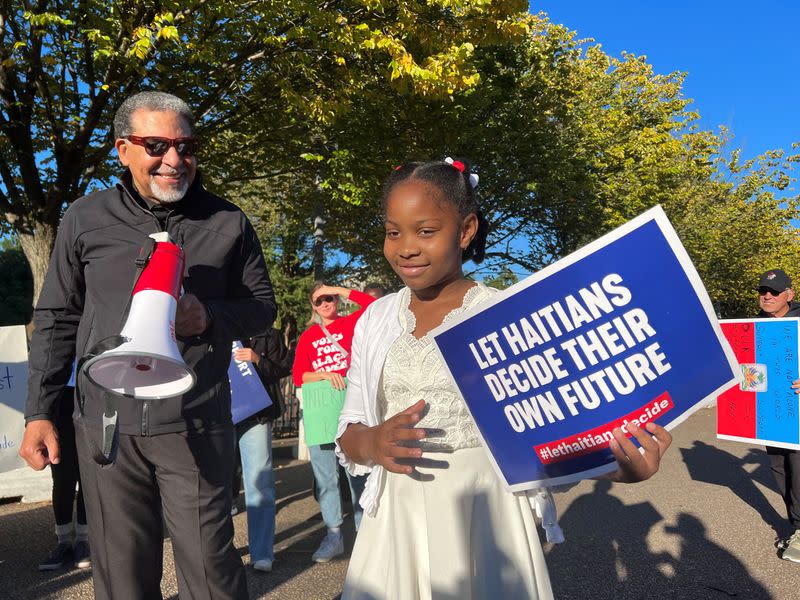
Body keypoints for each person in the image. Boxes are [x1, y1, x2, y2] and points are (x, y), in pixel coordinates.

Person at [335, 159, 673, 599]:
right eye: (393, 231)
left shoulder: (506, 317)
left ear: (465, 229)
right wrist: (374, 441)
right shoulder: (376, 319)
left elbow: (554, 435)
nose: (406, 248)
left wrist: (618, 467)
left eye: (425, 231)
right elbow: (349, 430)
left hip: (486, 513)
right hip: (395, 517)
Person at [19, 91, 276, 600]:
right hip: (106, 428)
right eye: (156, 145)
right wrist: (40, 411)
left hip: (196, 423)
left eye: (187, 146)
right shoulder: (84, 218)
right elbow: (56, 318)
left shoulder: (228, 222)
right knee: (122, 580)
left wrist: (210, 316)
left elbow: (261, 306)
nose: (175, 160)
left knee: (212, 578)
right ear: (123, 149)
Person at [292, 283, 376, 562]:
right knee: (326, 478)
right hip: (321, 411)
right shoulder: (308, 337)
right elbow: (299, 376)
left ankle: (366, 536)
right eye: (319, 301)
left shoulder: (351, 323)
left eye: (329, 298)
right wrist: (325, 375)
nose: (326, 303)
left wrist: (338, 289)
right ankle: (334, 535)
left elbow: (370, 304)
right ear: (313, 307)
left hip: (350, 407)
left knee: (357, 476)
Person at [231, 328, 291, 573]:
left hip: (256, 416)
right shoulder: (218, 329)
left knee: (259, 482)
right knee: (217, 486)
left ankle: (262, 553)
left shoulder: (271, 335)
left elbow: (283, 369)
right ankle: (219, 552)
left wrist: (257, 360)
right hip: (221, 415)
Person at [753, 269, 800, 562]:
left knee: (798, 467)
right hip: (772, 413)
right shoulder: (755, 326)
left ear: (790, 295)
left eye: (774, 291)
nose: (767, 296)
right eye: (763, 291)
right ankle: (795, 524)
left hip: (796, 411)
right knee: (779, 468)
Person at [38, 384, 91, 572]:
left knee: (88, 472)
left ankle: (84, 540)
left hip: (89, 387)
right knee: (61, 474)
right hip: (59, 392)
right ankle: (64, 541)